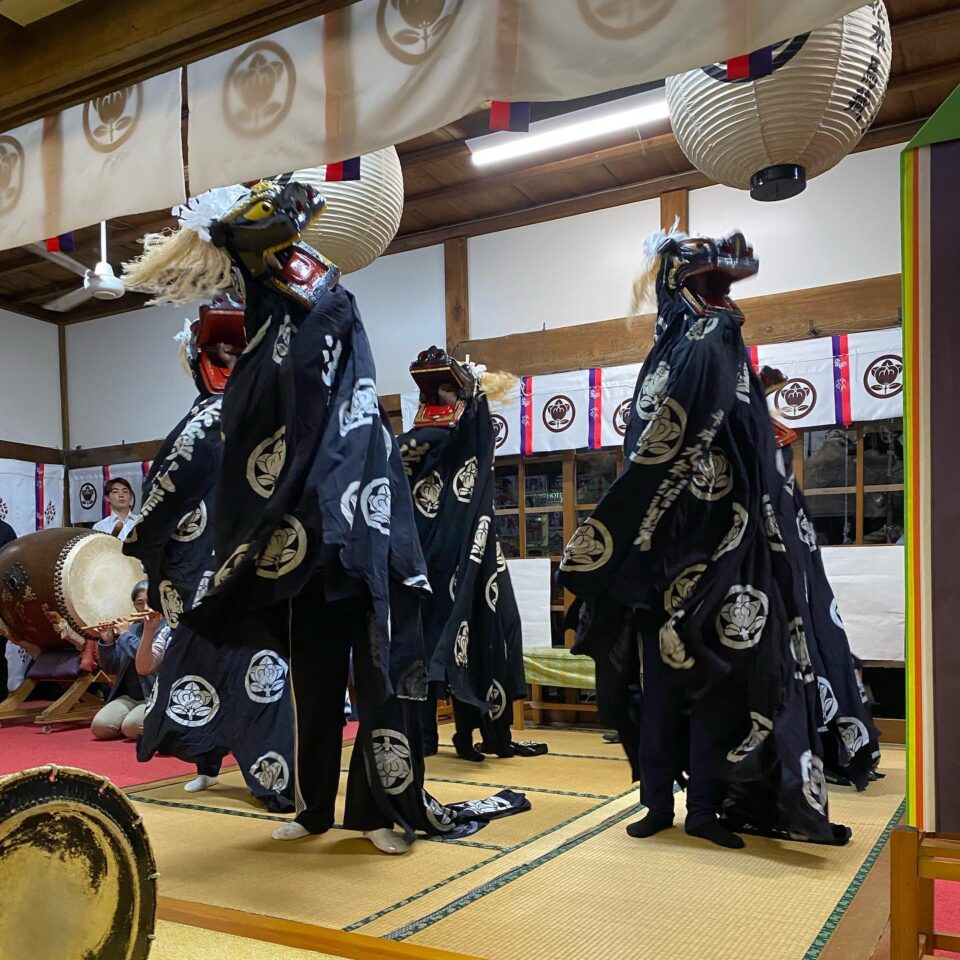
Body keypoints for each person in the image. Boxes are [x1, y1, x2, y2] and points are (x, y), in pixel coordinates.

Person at [124, 175, 530, 854]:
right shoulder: (266, 315)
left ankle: (381, 811)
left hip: (363, 529)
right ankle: (314, 808)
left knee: (380, 683)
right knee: (313, 684)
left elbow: (330, 407)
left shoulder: (325, 298)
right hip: (300, 542)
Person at [559, 227, 852, 849]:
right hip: (662, 554)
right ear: (676, 289)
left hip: (728, 549)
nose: (721, 302)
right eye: (706, 287)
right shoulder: (667, 360)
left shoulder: (724, 351)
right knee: (662, 688)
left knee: (721, 684)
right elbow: (646, 454)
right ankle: (658, 803)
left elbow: (754, 453)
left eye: (723, 290)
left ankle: (707, 810)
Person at [124, 298, 296, 807]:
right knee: (199, 665)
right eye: (220, 352)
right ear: (202, 361)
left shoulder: (269, 419)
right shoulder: (201, 423)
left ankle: (274, 776)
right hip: (200, 568)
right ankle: (207, 760)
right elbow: (163, 500)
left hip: (257, 569)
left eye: (238, 351)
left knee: (260, 671)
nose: (230, 360)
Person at [399, 347, 546, 762]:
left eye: (450, 388)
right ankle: (424, 738)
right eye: (437, 389)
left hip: (473, 553)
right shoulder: (424, 436)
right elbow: (401, 463)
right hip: (427, 557)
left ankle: (470, 734)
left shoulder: (471, 431)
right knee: (425, 648)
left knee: (478, 639)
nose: (442, 398)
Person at [91, 581, 169, 741]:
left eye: (150, 602)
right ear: (134, 606)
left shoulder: (168, 628)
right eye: (140, 603)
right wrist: (107, 642)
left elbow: (149, 661)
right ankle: (137, 722)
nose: (146, 607)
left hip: (155, 695)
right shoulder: (132, 628)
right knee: (100, 727)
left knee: (131, 727)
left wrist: (125, 636)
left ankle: (158, 721)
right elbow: (112, 667)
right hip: (130, 696)